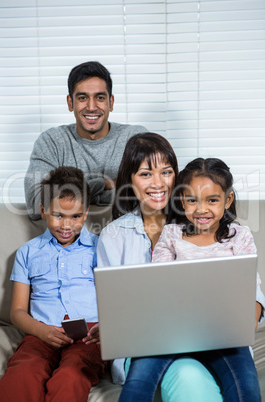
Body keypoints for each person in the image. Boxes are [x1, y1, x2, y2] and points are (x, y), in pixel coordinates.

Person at [119, 157, 265, 402]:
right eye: (191, 200)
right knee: (138, 378)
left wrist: (246, 321)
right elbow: (159, 282)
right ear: (181, 199)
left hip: (224, 336)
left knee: (246, 388)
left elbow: (249, 289)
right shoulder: (172, 234)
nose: (201, 209)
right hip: (174, 332)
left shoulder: (240, 237)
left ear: (227, 200)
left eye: (212, 200)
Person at [97, 134, 223, 402]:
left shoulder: (199, 221)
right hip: (142, 348)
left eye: (166, 172)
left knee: (192, 367)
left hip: (199, 340)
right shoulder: (112, 236)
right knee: (187, 373)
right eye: (145, 174)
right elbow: (113, 311)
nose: (158, 183)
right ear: (129, 181)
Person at [0, 166, 104, 402]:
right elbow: (17, 311)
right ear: (44, 210)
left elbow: (115, 300)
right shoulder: (27, 252)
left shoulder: (100, 248)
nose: (66, 226)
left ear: (86, 213)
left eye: (75, 216)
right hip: (40, 334)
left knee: (70, 376)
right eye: (58, 215)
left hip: (87, 337)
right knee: (22, 375)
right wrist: (41, 331)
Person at [24, 61, 147, 220]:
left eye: (100, 97)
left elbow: (152, 196)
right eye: (82, 97)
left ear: (111, 102)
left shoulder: (136, 138)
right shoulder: (52, 141)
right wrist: (105, 183)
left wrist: (74, 193)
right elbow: (36, 206)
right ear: (70, 103)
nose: (91, 107)